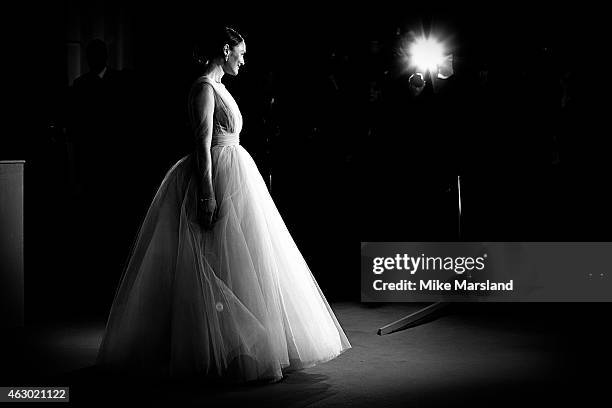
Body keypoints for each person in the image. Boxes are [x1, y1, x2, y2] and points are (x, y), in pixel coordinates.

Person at [95, 26, 351, 383]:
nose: (244, 60)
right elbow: (202, 142)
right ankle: (216, 349)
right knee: (213, 259)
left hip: (236, 172)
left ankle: (243, 346)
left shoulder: (221, 88)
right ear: (225, 50)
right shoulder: (203, 87)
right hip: (218, 175)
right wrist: (207, 192)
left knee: (243, 258)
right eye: (240, 53)